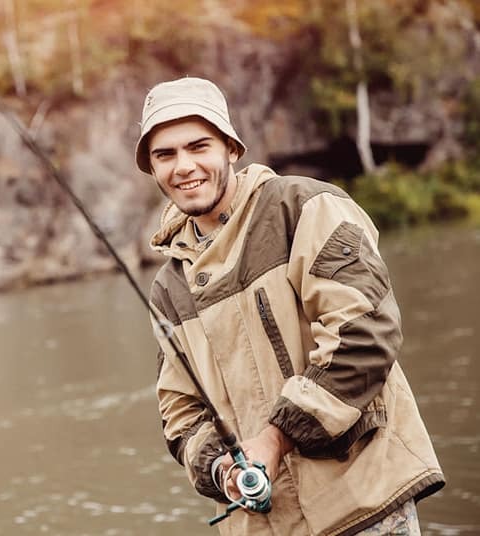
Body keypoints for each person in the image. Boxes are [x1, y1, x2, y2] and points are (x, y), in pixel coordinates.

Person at [136, 77, 445, 535]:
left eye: (198, 146)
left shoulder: (304, 208)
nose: (184, 166)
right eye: (165, 155)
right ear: (153, 168)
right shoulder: (167, 288)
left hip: (365, 504)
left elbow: (365, 334)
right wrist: (223, 470)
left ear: (231, 148)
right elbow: (181, 415)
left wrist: (275, 438)